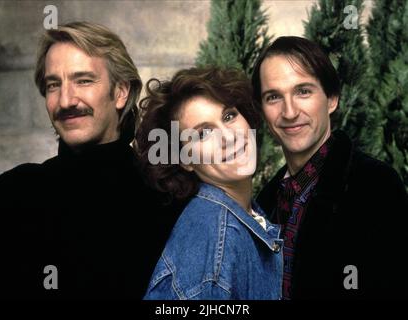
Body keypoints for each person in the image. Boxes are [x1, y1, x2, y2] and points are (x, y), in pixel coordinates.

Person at [0, 21, 182, 299]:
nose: (66, 100)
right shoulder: (13, 192)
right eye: (53, 85)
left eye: (83, 80)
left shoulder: (166, 196)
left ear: (121, 92)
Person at [251, 36, 408, 299]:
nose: (289, 112)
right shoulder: (265, 203)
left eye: (303, 91)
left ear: (332, 99)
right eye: (274, 96)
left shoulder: (375, 186)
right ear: (263, 111)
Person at [136, 67, 283, 300]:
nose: (229, 137)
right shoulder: (215, 237)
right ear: (185, 160)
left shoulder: (244, 213)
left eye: (229, 116)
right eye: (203, 134)